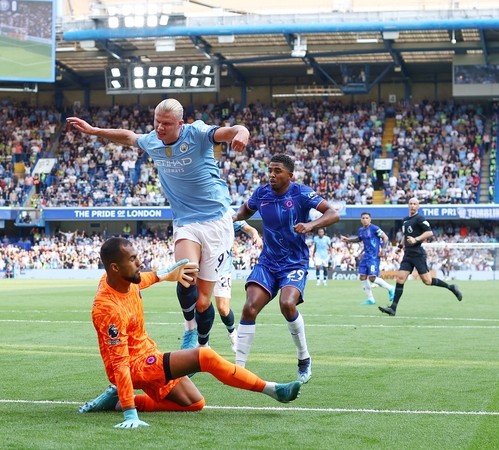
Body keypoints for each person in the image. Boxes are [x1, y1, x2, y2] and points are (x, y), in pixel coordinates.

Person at [67, 98, 250, 354]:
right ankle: (189, 329)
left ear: (180, 124)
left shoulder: (196, 133)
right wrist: (94, 130)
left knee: (203, 302)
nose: (160, 128)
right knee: (186, 275)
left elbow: (230, 131)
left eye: (166, 124)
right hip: (186, 222)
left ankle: (203, 343)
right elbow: (129, 136)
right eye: (157, 122)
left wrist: (242, 132)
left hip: (217, 221)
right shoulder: (153, 140)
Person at [78, 237, 301, 428]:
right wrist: (130, 414)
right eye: (133, 259)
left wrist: (166, 275)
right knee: (204, 356)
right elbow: (120, 364)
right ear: (115, 267)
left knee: (195, 403)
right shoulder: (108, 309)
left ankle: (121, 401)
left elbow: (142, 280)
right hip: (135, 366)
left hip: (146, 353)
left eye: (138, 256)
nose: (140, 262)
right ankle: (272, 389)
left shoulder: (123, 279)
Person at [232, 154, 339, 384]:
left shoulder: (300, 193)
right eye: (270, 170)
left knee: (287, 304)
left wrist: (310, 224)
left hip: (294, 262)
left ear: (290, 175)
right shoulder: (261, 194)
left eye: (277, 171)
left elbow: (333, 213)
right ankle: (238, 369)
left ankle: (304, 358)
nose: (272, 174)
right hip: (268, 262)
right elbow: (244, 212)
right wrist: (230, 218)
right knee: (249, 308)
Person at [378, 198, 462, 316]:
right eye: (411, 204)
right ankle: (393, 308)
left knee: (427, 281)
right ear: (408, 206)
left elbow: (429, 232)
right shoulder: (406, 220)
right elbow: (406, 235)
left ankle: (451, 287)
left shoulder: (420, 219)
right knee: (400, 279)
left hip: (418, 254)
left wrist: (416, 239)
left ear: (418, 207)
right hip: (408, 254)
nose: (412, 206)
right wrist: (400, 246)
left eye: (415, 204)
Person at [210, 218, 262, 352]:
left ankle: (232, 333)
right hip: (203, 266)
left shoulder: (227, 213)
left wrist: (255, 235)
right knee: (201, 304)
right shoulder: (200, 208)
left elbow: (249, 228)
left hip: (222, 268)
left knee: (223, 309)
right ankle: (203, 343)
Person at [341, 212, 396, 305]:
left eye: (367, 218)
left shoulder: (374, 228)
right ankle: (371, 299)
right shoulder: (361, 230)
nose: (365, 219)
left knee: (372, 278)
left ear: (370, 219)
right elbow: (359, 239)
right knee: (362, 276)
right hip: (365, 256)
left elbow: (385, 237)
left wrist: (383, 250)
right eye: (363, 218)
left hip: (374, 257)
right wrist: (348, 240)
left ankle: (390, 288)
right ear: (361, 220)